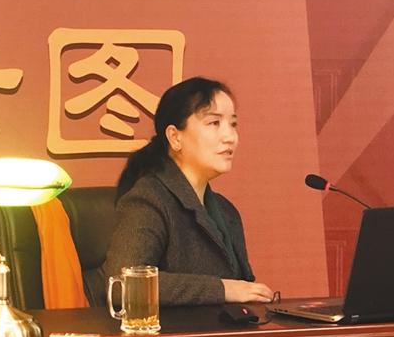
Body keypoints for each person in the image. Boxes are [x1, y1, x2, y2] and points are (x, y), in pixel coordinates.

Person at [104, 77, 274, 305]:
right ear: (175, 137)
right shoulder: (148, 199)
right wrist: (221, 289)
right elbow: (124, 285)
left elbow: (243, 290)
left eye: (233, 124)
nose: (230, 137)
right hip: (171, 329)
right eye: (214, 123)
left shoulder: (226, 210)